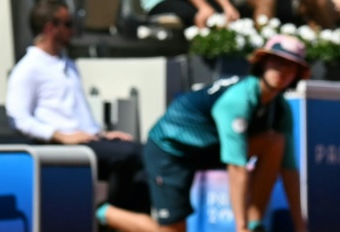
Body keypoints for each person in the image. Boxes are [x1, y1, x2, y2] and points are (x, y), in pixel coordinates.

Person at [131, 35, 309, 232]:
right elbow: (236, 166)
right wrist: (240, 228)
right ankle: (103, 212)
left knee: (274, 142)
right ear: (263, 62)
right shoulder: (238, 100)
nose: (282, 70)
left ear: (298, 74)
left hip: (209, 148)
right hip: (170, 150)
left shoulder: (281, 109)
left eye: (291, 66)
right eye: (277, 62)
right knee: (172, 230)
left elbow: (290, 170)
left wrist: (301, 228)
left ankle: (255, 223)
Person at [5, 1, 150, 228]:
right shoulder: (28, 68)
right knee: (128, 154)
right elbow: (18, 118)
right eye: (68, 24)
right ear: (50, 28)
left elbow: (78, 113)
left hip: (85, 140)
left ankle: (132, 223)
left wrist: (103, 134)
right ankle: (109, 218)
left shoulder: (68, 64)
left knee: (145, 153)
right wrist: (60, 135)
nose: (73, 30)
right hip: (58, 145)